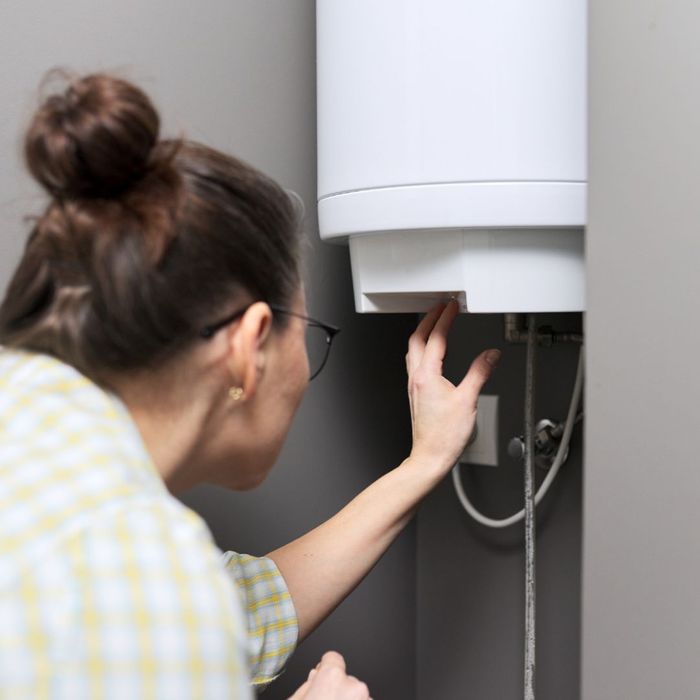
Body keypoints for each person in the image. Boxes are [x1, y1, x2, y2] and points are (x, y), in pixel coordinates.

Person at [0, 73, 500, 699]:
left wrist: (425, 462)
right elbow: (163, 603)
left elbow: (233, 611)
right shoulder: (135, 562)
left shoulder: (34, 438)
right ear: (248, 347)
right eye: (309, 331)